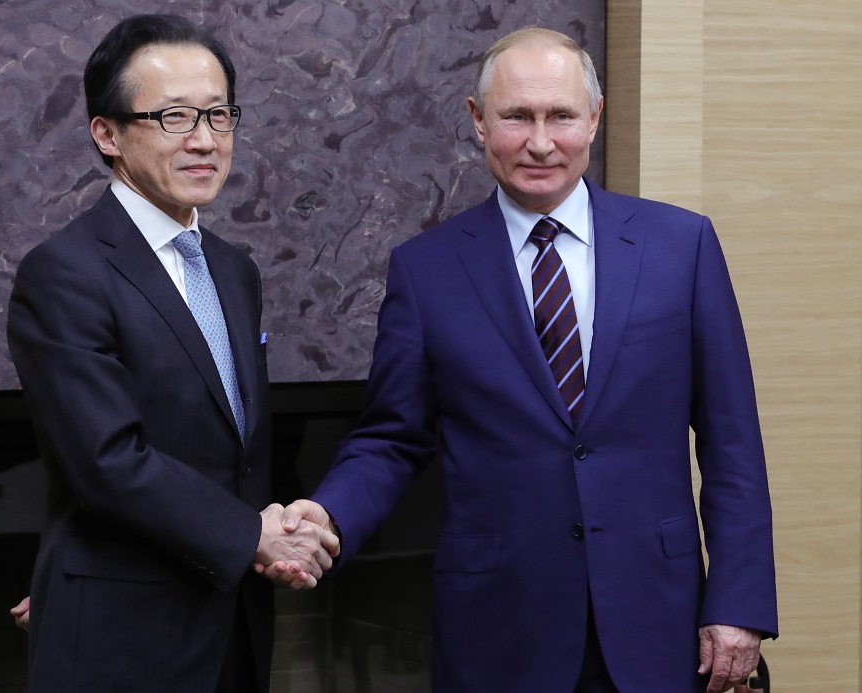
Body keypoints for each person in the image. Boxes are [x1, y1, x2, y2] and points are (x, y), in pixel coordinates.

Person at [264, 27, 778, 693]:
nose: (541, 142)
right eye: (517, 116)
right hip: (500, 629)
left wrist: (738, 604)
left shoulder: (681, 246)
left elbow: (732, 440)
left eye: (561, 115)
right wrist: (327, 515)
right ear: (479, 122)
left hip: (660, 616)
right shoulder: (426, 272)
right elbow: (392, 436)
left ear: (595, 118)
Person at [6, 14, 337, 693]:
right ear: (108, 133)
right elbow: (107, 461)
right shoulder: (64, 273)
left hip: (233, 620)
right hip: (121, 634)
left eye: (219, 116)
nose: (204, 140)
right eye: (175, 117)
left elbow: (231, 446)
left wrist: (281, 524)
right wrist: (254, 532)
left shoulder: (233, 268)